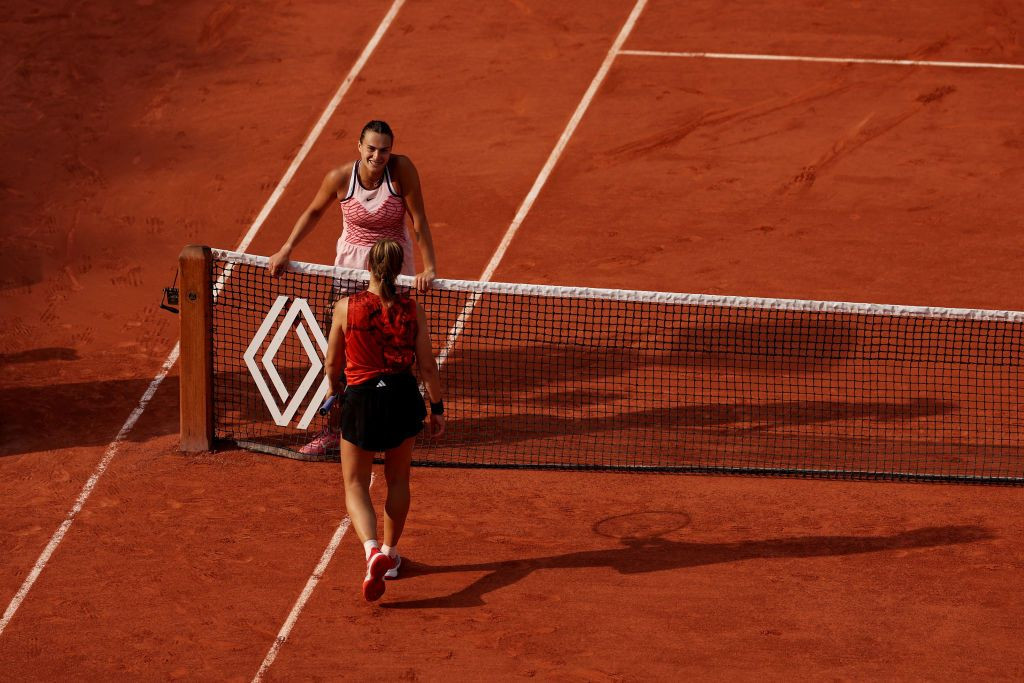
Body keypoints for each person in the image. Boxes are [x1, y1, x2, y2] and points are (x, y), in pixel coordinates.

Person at [322, 238, 445, 602]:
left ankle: (371, 549)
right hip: (402, 398)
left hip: (361, 401)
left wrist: (334, 396)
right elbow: (426, 366)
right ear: (397, 268)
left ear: (369, 266)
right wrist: (436, 408)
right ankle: (390, 557)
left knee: (356, 484)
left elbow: (332, 364)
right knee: (398, 480)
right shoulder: (412, 309)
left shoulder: (345, 307)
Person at [267, 120, 438, 292]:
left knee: (394, 318)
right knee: (339, 315)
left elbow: (418, 218)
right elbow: (314, 212)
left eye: (384, 150)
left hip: (392, 259)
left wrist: (429, 268)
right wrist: (286, 248)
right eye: (371, 148)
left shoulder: (402, 169)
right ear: (359, 146)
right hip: (352, 261)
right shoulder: (340, 178)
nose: (377, 156)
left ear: (391, 149)